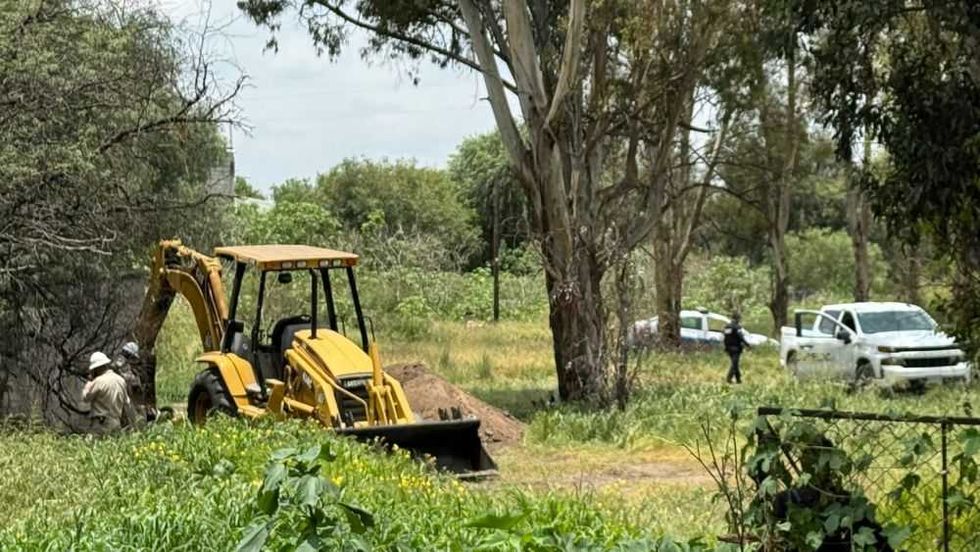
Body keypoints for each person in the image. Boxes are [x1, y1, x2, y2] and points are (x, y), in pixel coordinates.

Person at [82, 351, 134, 435]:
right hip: (116, 422)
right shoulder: (121, 380)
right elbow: (127, 402)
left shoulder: (98, 381)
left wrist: (88, 384)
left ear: (96, 368)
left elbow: (86, 398)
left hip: (101, 424)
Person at [723, 313, 750, 384]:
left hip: (729, 348)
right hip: (736, 348)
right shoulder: (737, 327)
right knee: (734, 364)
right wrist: (747, 344)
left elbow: (725, 338)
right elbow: (740, 337)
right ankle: (729, 378)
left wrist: (726, 347)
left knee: (735, 364)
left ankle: (738, 379)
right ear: (737, 319)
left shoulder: (727, 327)